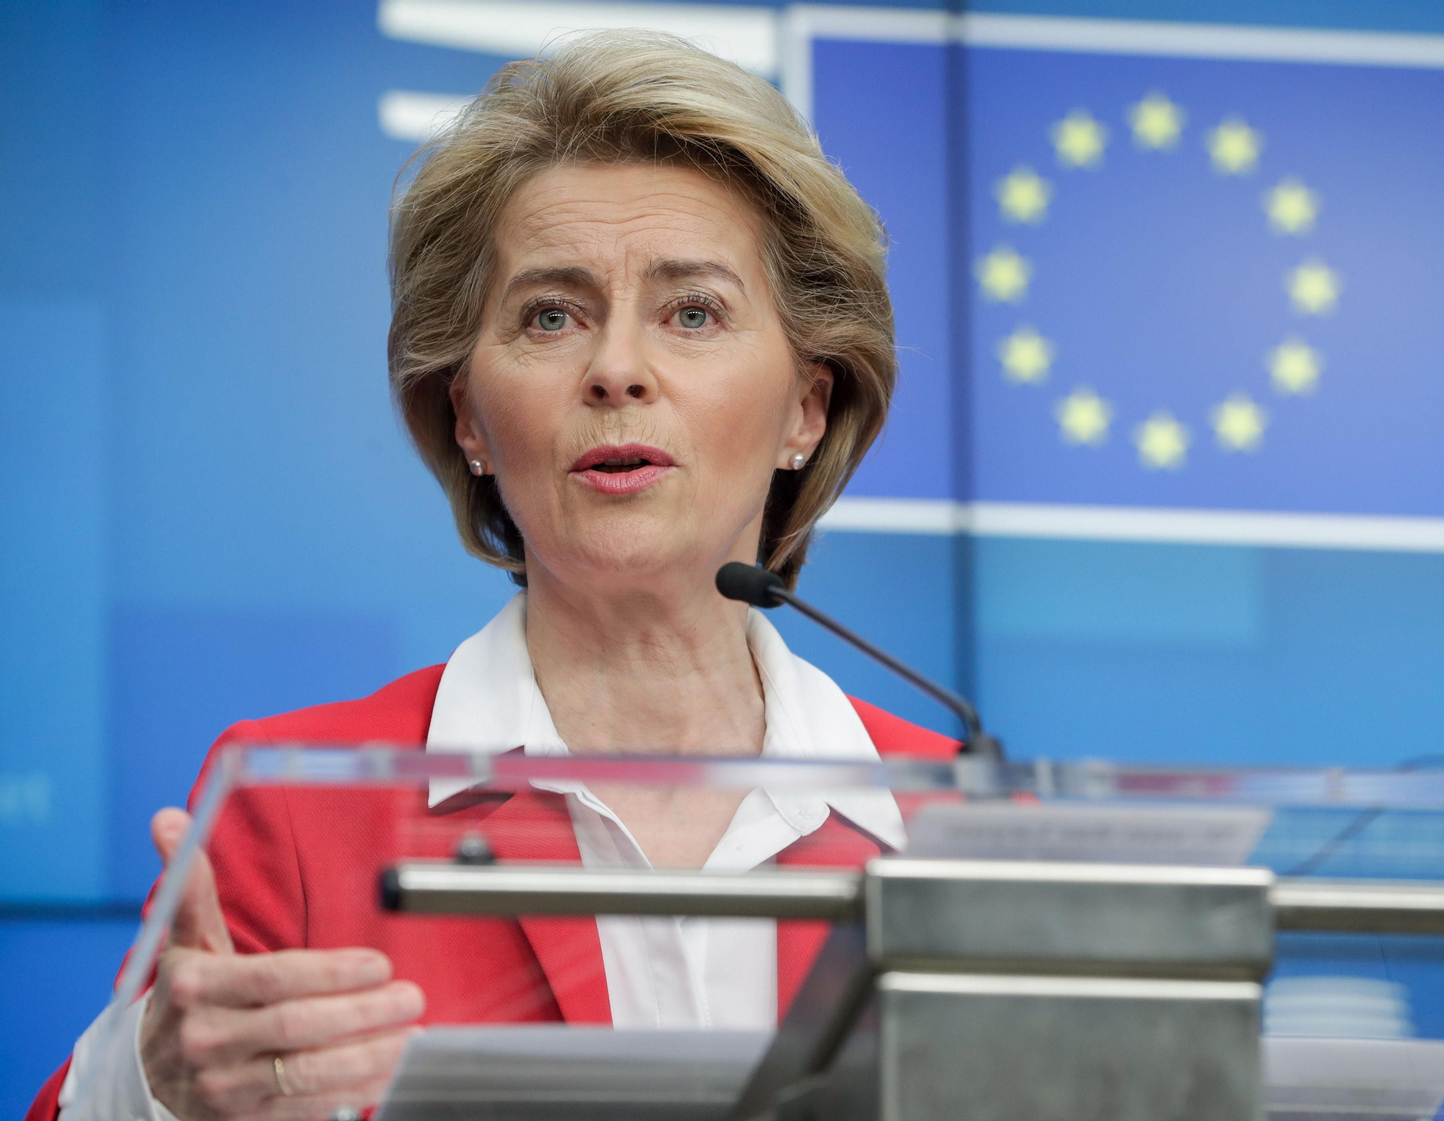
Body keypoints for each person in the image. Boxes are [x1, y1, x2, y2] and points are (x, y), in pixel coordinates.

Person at [31, 30, 957, 1121]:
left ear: (807, 405)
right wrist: (153, 1087)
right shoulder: (295, 807)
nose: (617, 369)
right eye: (550, 315)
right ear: (467, 414)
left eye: (693, 312)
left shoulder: (961, 823)